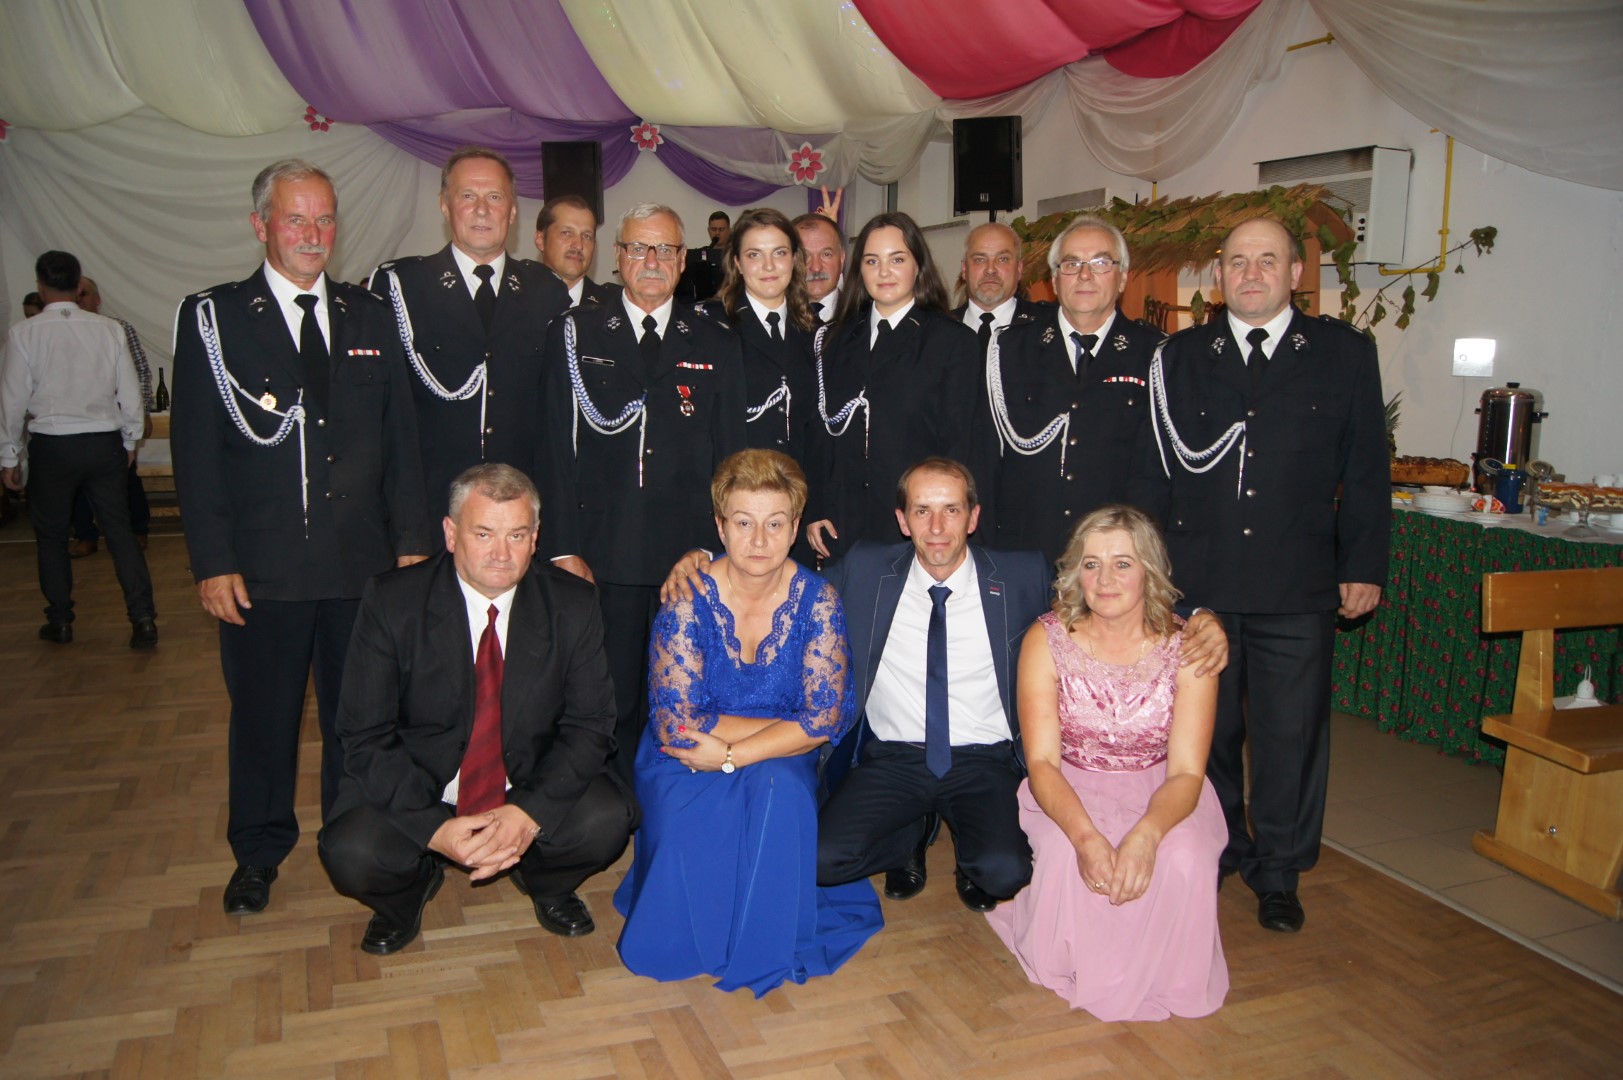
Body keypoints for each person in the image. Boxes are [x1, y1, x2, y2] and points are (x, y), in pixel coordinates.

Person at [172, 159, 432, 917]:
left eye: (324, 219)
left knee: (361, 722)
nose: (313, 234)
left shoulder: (368, 314)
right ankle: (257, 853)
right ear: (262, 225)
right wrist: (213, 561)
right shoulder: (216, 318)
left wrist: (412, 541)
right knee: (264, 722)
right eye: (296, 219)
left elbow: (401, 440)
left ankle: (353, 843)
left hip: (360, 568)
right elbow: (196, 451)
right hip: (263, 570)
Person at [1143, 216, 1390, 933]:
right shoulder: (1180, 356)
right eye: (1237, 261)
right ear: (1218, 274)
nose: (1250, 274)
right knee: (1208, 732)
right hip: (1202, 583)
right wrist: (1153, 575)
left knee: (1291, 736)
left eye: (1267, 260)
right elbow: (1155, 470)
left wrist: (1363, 563)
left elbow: (1365, 468)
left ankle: (1279, 871)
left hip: (1297, 582)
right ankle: (1218, 847)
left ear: (1295, 274)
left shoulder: (1343, 354)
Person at [320, 464, 634, 954]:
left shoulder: (573, 604)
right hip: (424, 781)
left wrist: (528, 813)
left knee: (607, 819)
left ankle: (543, 880)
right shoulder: (393, 602)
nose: (501, 554)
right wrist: (433, 829)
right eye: (483, 534)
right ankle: (408, 894)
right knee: (352, 852)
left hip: (523, 779)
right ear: (450, 534)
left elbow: (591, 726)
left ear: (535, 538)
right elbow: (364, 735)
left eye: (517, 535)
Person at [614, 450, 881, 995]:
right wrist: (773, 730)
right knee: (687, 814)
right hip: (687, 752)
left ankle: (763, 941)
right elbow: (677, 722)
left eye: (774, 524)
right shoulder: (686, 599)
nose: (759, 540)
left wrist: (733, 755)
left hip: (774, 753)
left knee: (781, 792)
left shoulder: (820, 602)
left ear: (795, 529)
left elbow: (824, 718)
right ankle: (696, 934)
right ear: (719, 527)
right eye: (743, 523)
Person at [985, 504, 1228, 1022]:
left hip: (1163, 788)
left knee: (1184, 855)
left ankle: (1166, 970)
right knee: (1068, 855)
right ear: (1076, 573)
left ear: (1149, 571)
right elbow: (1042, 762)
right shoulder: (1046, 640)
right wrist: (1086, 838)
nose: (1105, 578)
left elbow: (1188, 772)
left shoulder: (1189, 650)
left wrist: (1146, 836)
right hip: (1069, 784)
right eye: (1091, 564)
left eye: (1123, 563)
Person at [538, 203, 747, 783]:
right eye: (638, 248)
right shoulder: (575, 333)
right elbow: (553, 447)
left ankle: (668, 810)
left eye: (665, 250)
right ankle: (611, 810)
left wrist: (709, 546)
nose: (651, 261)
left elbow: (732, 460)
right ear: (618, 257)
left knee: (684, 700)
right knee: (605, 704)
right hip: (599, 557)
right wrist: (562, 548)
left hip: (687, 561)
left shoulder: (716, 341)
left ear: (682, 262)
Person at [368, 147, 570, 537]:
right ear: (445, 206)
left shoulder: (546, 290)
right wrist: (405, 530)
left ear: (512, 211)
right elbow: (386, 419)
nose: (481, 210)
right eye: (467, 196)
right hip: (431, 513)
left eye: (494, 197)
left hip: (519, 516)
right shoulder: (402, 286)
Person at [981, 215, 1164, 563]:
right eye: (1071, 264)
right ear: (1054, 280)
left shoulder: (1154, 354)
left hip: (1112, 559)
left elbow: (1155, 476)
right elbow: (987, 462)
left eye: (1100, 263)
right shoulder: (1008, 350)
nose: (1084, 275)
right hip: (1023, 553)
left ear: (1123, 278)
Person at [0, 250, 156, 648]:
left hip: (52, 447)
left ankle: (60, 621)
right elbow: (130, 392)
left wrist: (9, 456)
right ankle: (142, 618)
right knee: (119, 532)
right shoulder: (108, 329)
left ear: (41, 286)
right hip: (103, 443)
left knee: (51, 536)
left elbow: (12, 402)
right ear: (78, 283)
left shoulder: (24, 333)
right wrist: (130, 440)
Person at [806, 213, 982, 564]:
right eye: (872, 261)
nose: (884, 272)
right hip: (842, 523)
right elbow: (820, 435)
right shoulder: (834, 339)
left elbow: (959, 444)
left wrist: (945, 520)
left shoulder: (951, 341)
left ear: (918, 266)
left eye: (897, 259)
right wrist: (816, 507)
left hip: (916, 524)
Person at [702, 207, 817, 469]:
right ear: (737, 263)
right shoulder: (710, 327)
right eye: (754, 254)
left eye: (779, 253)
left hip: (800, 484)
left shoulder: (814, 330)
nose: (769, 266)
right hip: (738, 482)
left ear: (794, 259)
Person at [69, 276, 153, 557]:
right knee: (77, 481)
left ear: (97, 299)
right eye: (76, 295)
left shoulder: (118, 328)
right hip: (77, 419)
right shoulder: (64, 331)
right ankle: (85, 535)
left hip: (115, 418)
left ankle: (138, 529)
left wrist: (142, 411)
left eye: (85, 294)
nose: (80, 299)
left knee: (127, 477)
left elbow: (141, 372)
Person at [954, 221, 1051, 357]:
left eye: (1003, 259)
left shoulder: (1048, 327)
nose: (990, 269)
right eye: (979, 259)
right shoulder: (937, 331)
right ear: (964, 270)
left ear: (1019, 269)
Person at [534, 195, 619, 308]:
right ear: (540, 240)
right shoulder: (517, 303)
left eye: (587, 236)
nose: (579, 245)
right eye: (566, 233)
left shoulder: (615, 307)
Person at [792, 213, 845, 324]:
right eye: (805, 256)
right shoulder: (776, 319)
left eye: (826, 254)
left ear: (842, 259)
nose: (816, 267)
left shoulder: (863, 318)